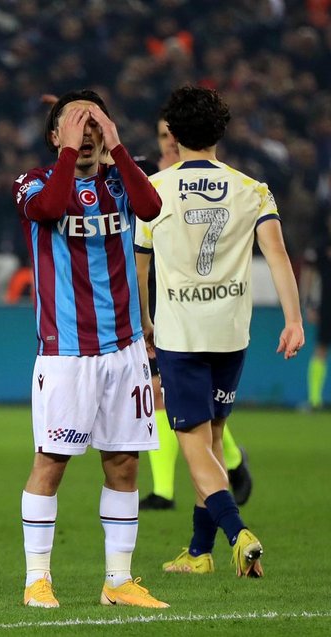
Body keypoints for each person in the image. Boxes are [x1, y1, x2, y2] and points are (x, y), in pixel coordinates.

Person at [135, 85, 304, 577]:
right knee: (211, 444)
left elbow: (139, 267)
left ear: (173, 134)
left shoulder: (154, 190)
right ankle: (197, 553)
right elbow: (278, 254)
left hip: (181, 336)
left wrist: (144, 322)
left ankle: (238, 534)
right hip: (232, 333)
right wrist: (294, 319)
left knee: (195, 449)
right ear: (221, 131)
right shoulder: (253, 189)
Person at [12, 89, 168, 609]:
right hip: (65, 353)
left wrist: (116, 146)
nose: (85, 135)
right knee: (51, 461)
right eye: (75, 125)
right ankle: (37, 579)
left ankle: (117, 582)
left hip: (124, 349)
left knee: (124, 464)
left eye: (93, 125)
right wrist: (69, 150)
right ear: (55, 135)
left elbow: (152, 208)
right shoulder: (33, 182)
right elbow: (50, 208)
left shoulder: (123, 179)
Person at [135, 119, 253, 511]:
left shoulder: (212, 183)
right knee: (161, 393)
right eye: (163, 136)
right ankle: (168, 490)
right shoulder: (148, 177)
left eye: (174, 135)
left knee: (189, 403)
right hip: (158, 297)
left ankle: (226, 461)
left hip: (200, 305)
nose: (170, 142)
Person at [300, 209, 331, 409]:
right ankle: (314, 399)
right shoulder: (320, 246)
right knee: (321, 348)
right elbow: (309, 275)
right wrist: (308, 304)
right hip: (326, 306)